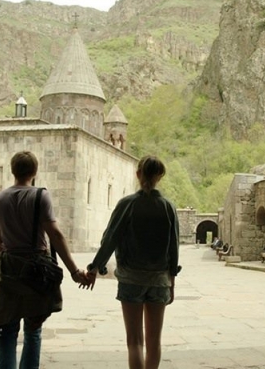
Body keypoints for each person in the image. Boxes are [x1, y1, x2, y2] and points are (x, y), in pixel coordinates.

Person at [0, 151, 91, 369]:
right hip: (36, 270)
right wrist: (74, 271)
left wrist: (4, 266)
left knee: (8, 329)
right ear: (34, 172)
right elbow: (55, 235)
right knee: (33, 329)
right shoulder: (40, 196)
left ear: (12, 171)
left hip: (9, 268)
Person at [85, 155, 180, 369]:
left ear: (138, 174)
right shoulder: (168, 207)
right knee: (154, 342)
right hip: (159, 281)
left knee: (135, 341)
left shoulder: (127, 204)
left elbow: (110, 239)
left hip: (130, 279)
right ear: (160, 176)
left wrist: (94, 268)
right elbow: (174, 248)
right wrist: (171, 282)